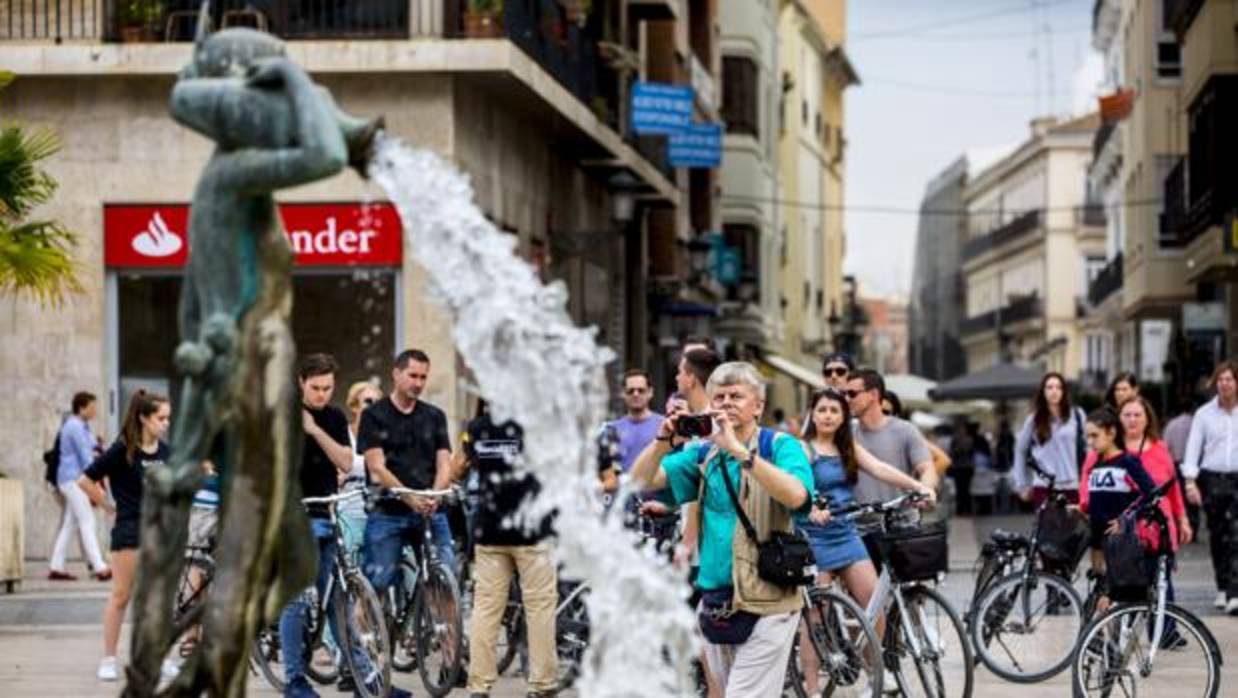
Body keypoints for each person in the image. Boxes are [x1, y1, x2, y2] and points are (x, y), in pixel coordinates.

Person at [631, 361, 813, 697]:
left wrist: (742, 453)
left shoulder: (781, 446)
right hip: (717, 599)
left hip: (767, 598)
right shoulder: (704, 453)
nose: (726, 403)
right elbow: (641, 480)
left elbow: (798, 495)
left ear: (757, 406)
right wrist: (661, 441)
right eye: (719, 397)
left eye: (736, 396)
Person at [795, 388, 935, 695]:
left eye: (834, 410)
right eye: (822, 410)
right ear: (812, 415)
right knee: (815, 616)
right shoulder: (803, 449)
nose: (828, 415)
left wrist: (917, 487)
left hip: (846, 531)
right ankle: (812, 687)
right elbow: (795, 487)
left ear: (844, 416)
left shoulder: (848, 447)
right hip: (814, 536)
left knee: (873, 603)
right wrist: (811, 508)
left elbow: (881, 469)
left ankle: (875, 674)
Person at [281, 353, 386, 697]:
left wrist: (313, 430)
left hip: (326, 512)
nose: (322, 395)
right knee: (296, 601)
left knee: (338, 599)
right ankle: (295, 680)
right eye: (315, 388)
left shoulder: (335, 416)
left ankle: (365, 677)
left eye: (327, 388)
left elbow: (344, 459)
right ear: (301, 383)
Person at [454, 403, 558, 698]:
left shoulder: (476, 428)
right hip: (532, 530)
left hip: (489, 531)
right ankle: (542, 684)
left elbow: (457, 467)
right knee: (539, 608)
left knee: (486, 608)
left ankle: (479, 685)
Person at [77, 391, 171, 681]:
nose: (166, 424)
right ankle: (108, 659)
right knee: (121, 596)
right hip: (130, 530)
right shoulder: (123, 449)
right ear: (144, 418)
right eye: (161, 418)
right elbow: (85, 479)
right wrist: (109, 506)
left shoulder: (166, 452)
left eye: (168, 418)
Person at [360, 349, 455, 594]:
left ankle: (445, 631)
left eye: (423, 377)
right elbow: (377, 467)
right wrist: (409, 497)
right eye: (413, 376)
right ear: (396, 374)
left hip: (430, 510)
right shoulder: (373, 416)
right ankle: (373, 629)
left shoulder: (435, 416)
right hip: (388, 511)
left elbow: (445, 463)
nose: (418, 383)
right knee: (378, 583)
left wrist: (435, 495)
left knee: (446, 577)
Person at [1120, 395, 1192, 646]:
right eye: (1127, 414)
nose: (1132, 420)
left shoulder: (1161, 449)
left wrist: (1183, 520)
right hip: (1126, 528)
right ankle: (1125, 627)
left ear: (1147, 418)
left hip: (1159, 527)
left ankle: (1165, 632)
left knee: (1162, 581)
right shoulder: (1113, 450)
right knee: (1127, 581)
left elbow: (1174, 491)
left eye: (1137, 415)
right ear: (1119, 418)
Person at [845, 370, 938, 549]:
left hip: (901, 524)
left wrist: (925, 489)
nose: (847, 399)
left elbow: (927, 468)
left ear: (873, 395)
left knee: (906, 576)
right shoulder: (846, 433)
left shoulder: (905, 430)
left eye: (852, 394)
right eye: (845, 394)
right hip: (859, 528)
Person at [1077, 407, 1157, 613]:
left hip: (1119, 541)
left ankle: (1112, 638)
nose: (1091, 441)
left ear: (1111, 433)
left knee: (1114, 596)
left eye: (1095, 435)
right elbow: (1097, 500)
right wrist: (1081, 509)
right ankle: (1101, 639)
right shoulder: (1095, 464)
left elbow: (1151, 493)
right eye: (1088, 436)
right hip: (1097, 540)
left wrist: (1127, 518)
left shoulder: (1127, 462)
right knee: (1100, 590)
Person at [1181, 360, 1238, 614]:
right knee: (1218, 535)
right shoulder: (1205, 414)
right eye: (1221, 379)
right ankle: (1223, 587)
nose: (1224, 384)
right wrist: (1190, 481)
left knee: (1237, 535)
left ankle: (1236, 591)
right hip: (1213, 478)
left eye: (1229, 379)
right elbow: (1193, 448)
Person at [48, 391, 111, 581]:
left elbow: (93, 447)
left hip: (72, 479)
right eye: (92, 407)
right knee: (87, 521)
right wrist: (96, 481)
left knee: (70, 523)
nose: (95, 411)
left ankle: (56, 566)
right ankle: (100, 567)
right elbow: (86, 457)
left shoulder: (81, 426)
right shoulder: (75, 426)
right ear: (81, 407)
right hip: (73, 479)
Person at [1012, 372, 1087, 505]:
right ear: (1043, 392)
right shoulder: (1034, 420)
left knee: (1069, 526)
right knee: (1046, 526)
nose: (1054, 391)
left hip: (1072, 485)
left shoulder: (1077, 415)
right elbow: (1020, 450)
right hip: (1043, 485)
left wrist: (1087, 481)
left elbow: (1089, 448)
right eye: (1049, 387)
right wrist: (1021, 484)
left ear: (1064, 391)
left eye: (1058, 387)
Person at [341, 380, 384, 557]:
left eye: (377, 403)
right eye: (367, 401)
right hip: (349, 513)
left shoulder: (383, 437)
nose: (372, 407)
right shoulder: (342, 434)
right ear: (354, 406)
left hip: (378, 514)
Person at [611, 368, 665, 473]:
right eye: (630, 391)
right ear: (623, 394)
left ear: (650, 392)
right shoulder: (613, 430)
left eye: (641, 390)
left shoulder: (664, 426)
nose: (636, 394)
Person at [1163, 397, 1201, 536]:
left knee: (1179, 497)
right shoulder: (1195, 424)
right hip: (1194, 465)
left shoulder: (1171, 425)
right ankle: (1194, 527)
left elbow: (1166, 446)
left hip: (1176, 464)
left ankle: (1179, 527)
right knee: (1193, 498)